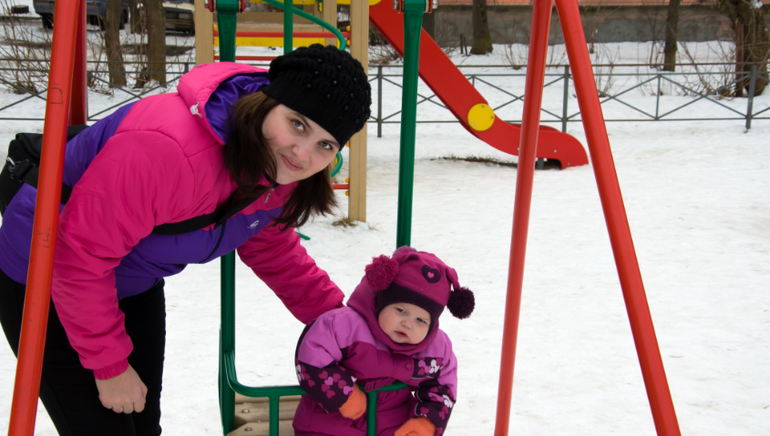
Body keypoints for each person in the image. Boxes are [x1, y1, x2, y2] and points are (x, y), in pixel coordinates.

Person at [0, 44, 370, 435]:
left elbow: (272, 248)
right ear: (267, 102)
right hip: (44, 277)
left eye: (325, 145)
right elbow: (80, 257)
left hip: (130, 279)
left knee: (142, 424)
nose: (302, 152)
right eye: (297, 124)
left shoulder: (278, 170)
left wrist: (343, 327)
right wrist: (109, 366)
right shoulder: (169, 150)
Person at [293, 247, 475, 436]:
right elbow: (312, 354)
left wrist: (426, 422)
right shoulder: (346, 326)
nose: (407, 324)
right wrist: (342, 393)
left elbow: (442, 387)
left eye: (421, 320)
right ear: (382, 301)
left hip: (391, 427)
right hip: (328, 426)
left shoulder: (435, 349)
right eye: (400, 310)